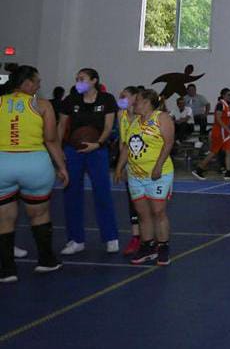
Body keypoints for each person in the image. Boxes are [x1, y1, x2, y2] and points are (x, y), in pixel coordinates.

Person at [0, 66, 68, 282]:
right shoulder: (42, 105)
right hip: (34, 164)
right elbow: (50, 139)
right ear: (27, 82)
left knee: (4, 218)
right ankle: (46, 261)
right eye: (37, 82)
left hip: (3, 162)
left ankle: (7, 270)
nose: (39, 86)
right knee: (39, 214)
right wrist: (61, 167)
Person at [58, 67, 120, 255]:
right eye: (77, 78)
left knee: (102, 192)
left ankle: (111, 237)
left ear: (94, 80)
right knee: (71, 193)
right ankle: (76, 240)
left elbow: (109, 126)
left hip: (97, 150)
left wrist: (99, 143)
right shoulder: (70, 100)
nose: (78, 81)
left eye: (82, 78)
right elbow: (61, 126)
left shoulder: (107, 99)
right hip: (73, 150)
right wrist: (59, 151)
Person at [114, 89, 174, 266]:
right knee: (142, 213)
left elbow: (168, 143)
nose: (134, 103)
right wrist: (119, 168)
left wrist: (158, 166)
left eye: (137, 100)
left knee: (158, 211)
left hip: (158, 174)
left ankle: (163, 247)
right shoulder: (134, 122)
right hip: (136, 175)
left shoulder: (161, 118)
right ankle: (147, 246)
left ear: (147, 102)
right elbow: (126, 147)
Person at [114, 86, 143, 257]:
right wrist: (121, 165)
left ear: (135, 98)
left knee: (147, 205)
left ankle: (150, 238)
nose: (121, 99)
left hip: (145, 164)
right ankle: (135, 237)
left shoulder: (143, 117)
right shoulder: (121, 114)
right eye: (120, 96)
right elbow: (122, 143)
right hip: (129, 164)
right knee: (132, 202)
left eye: (124, 96)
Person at [192, 88, 230, 180]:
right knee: (214, 151)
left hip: (225, 133)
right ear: (224, 95)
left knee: (228, 151)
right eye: (229, 95)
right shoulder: (220, 105)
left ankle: (228, 172)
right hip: (219, 132)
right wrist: (226, 128)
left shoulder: (227, 106)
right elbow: (218, 118)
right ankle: (199, 169)